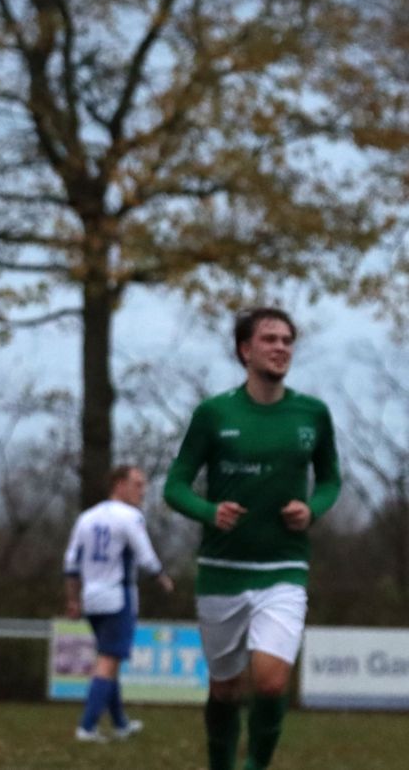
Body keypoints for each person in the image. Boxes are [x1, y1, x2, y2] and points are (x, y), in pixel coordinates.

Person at [164, 307, 341, 770]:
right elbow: (175, 486)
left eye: (287, 340)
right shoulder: (214, 413)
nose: (281, 347)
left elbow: (330, 480)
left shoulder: (313, 414)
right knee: (225, 688)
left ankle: (256, 765)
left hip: (284, 568)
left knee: (270, 682)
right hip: (222, 571)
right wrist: (209, 512)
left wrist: (312, 509)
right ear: (245, 350)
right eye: (270, 339)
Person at [62, 465, 174, 743]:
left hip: (91, 597)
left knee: (108, 659)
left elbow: (71, 562)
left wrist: (73, 599)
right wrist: (161, 576)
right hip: (118, 597)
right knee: (108, 662)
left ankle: (120, 723)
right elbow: (144, 555)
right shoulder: (130, 517)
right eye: (137, 484)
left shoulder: (87, 517)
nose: (142, 491)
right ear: (119, 485)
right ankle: (87, 727)